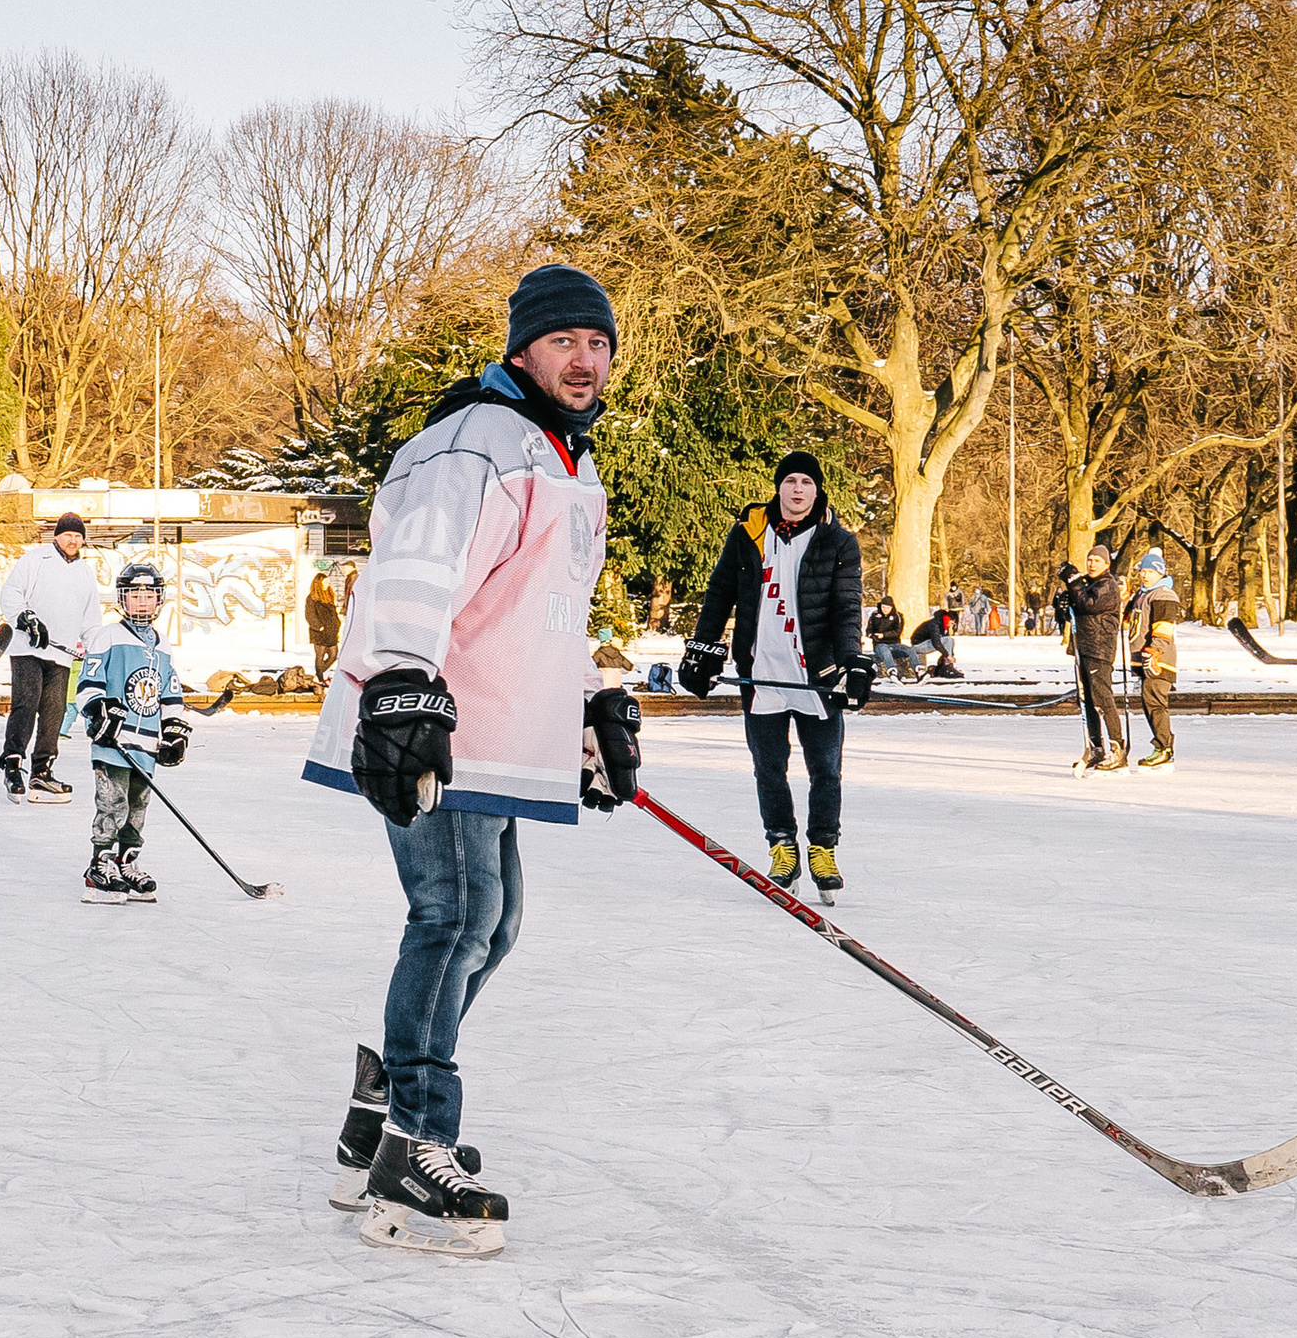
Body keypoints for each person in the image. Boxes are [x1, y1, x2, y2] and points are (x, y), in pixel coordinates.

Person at [304, 263, 643, 1259]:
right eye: (564, 342)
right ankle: (416, 1144)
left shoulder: (566, 462)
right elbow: (416, 566)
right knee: (452, 917)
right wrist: (402, 685)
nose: (584, 361)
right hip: (434, 729)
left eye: (598, 343)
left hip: (499, 732)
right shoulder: (474, 440)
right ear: (521, 351)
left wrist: (589, 709)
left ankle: (382, 1104)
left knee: (489, 929)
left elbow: (546, 616)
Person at [679, 450, 870, 894]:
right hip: (760, 671)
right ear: (778, 487)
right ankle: (782, 845)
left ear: (818, 489)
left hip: (815, 675)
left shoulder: (838, 541)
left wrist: (852, 661)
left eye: (806, 481)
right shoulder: (749, 533)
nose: (798, 489)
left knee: (826, 769)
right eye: (790, 481)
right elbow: (720, 591)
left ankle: (822, 848)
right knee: (769, 768)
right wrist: (702, 648)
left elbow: (846, 607)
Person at [75, 560, 188, 901]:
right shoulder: (107, 636)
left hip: (146, 746)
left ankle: (126, 863)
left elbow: (169, 692)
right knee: (112, 803)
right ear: (122, 599)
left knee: (138, 805)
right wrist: (98, 713)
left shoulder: (162, 644)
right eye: (134, 594)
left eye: (148, 594)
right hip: (113, 743)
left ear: (159, 600)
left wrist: (173, 731)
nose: (142, 601)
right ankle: (100, 866)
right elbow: (88, 685)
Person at [0, 510, 103, 802]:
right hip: (28, 649)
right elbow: (11, 594)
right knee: (26, 703)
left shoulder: (84, 573)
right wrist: (26, 618)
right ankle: (13, 762)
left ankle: (42, 771)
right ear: (56, 535)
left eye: (78, 536)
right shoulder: (36, 559)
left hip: (62, 655)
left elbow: (91, 619)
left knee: (55, 712)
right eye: (68, 534)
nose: (73, 540)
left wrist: (98, 651)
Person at [1056, 546, 1127, 770]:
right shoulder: (1088, 584)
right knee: (1086, 700)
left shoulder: (1108, 585)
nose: (1092, 564)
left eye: (1097, 560)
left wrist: (1074, 581)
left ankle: (1118, 750)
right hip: (1083, 647)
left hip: (1099, 650)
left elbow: (1090, 605)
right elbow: (1075, 611)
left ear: (1107, 564)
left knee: (1102, 698)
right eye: (1090, 559)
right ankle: (1096, 748)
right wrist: (1064, 604)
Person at [1125, 547, 1181, 769]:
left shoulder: (1163, 595)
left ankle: (1164, 748)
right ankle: (1162, 746)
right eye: (1142, 570)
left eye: (1150, 571)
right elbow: (1128, 618)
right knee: (1149, 703)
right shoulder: (1142, 594)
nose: (1144, 574)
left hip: (1158, 659)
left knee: (1155, 703)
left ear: (1160, 573)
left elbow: (1163, 628)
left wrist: (1155, 652)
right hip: (1143, 658)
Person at [305, 567, 341, 684]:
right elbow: (309, 614)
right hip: (320, 632)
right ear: (319, 583)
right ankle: (320, 678)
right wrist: (318, 626)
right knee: (320, 656)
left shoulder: (329, 596)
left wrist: (337, 624)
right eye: (326, 582)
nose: (328, 584)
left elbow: (333, 613)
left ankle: (317, 674)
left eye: (328, 582)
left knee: (334, 655)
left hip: (331, 631)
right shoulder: (312, 598)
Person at [866, 594, 913, 678]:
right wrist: (874, 636)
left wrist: (883, 635)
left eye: (887, 608)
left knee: (911, 650)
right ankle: (892, 671)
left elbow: (897, 632)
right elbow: (869, 630)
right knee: (885, 651)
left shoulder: (897, 616)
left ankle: (918, 669)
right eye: (883, 607)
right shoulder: (875, 615)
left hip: (895, 644)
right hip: (880, 645)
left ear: (891, 607)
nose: (885, 610)